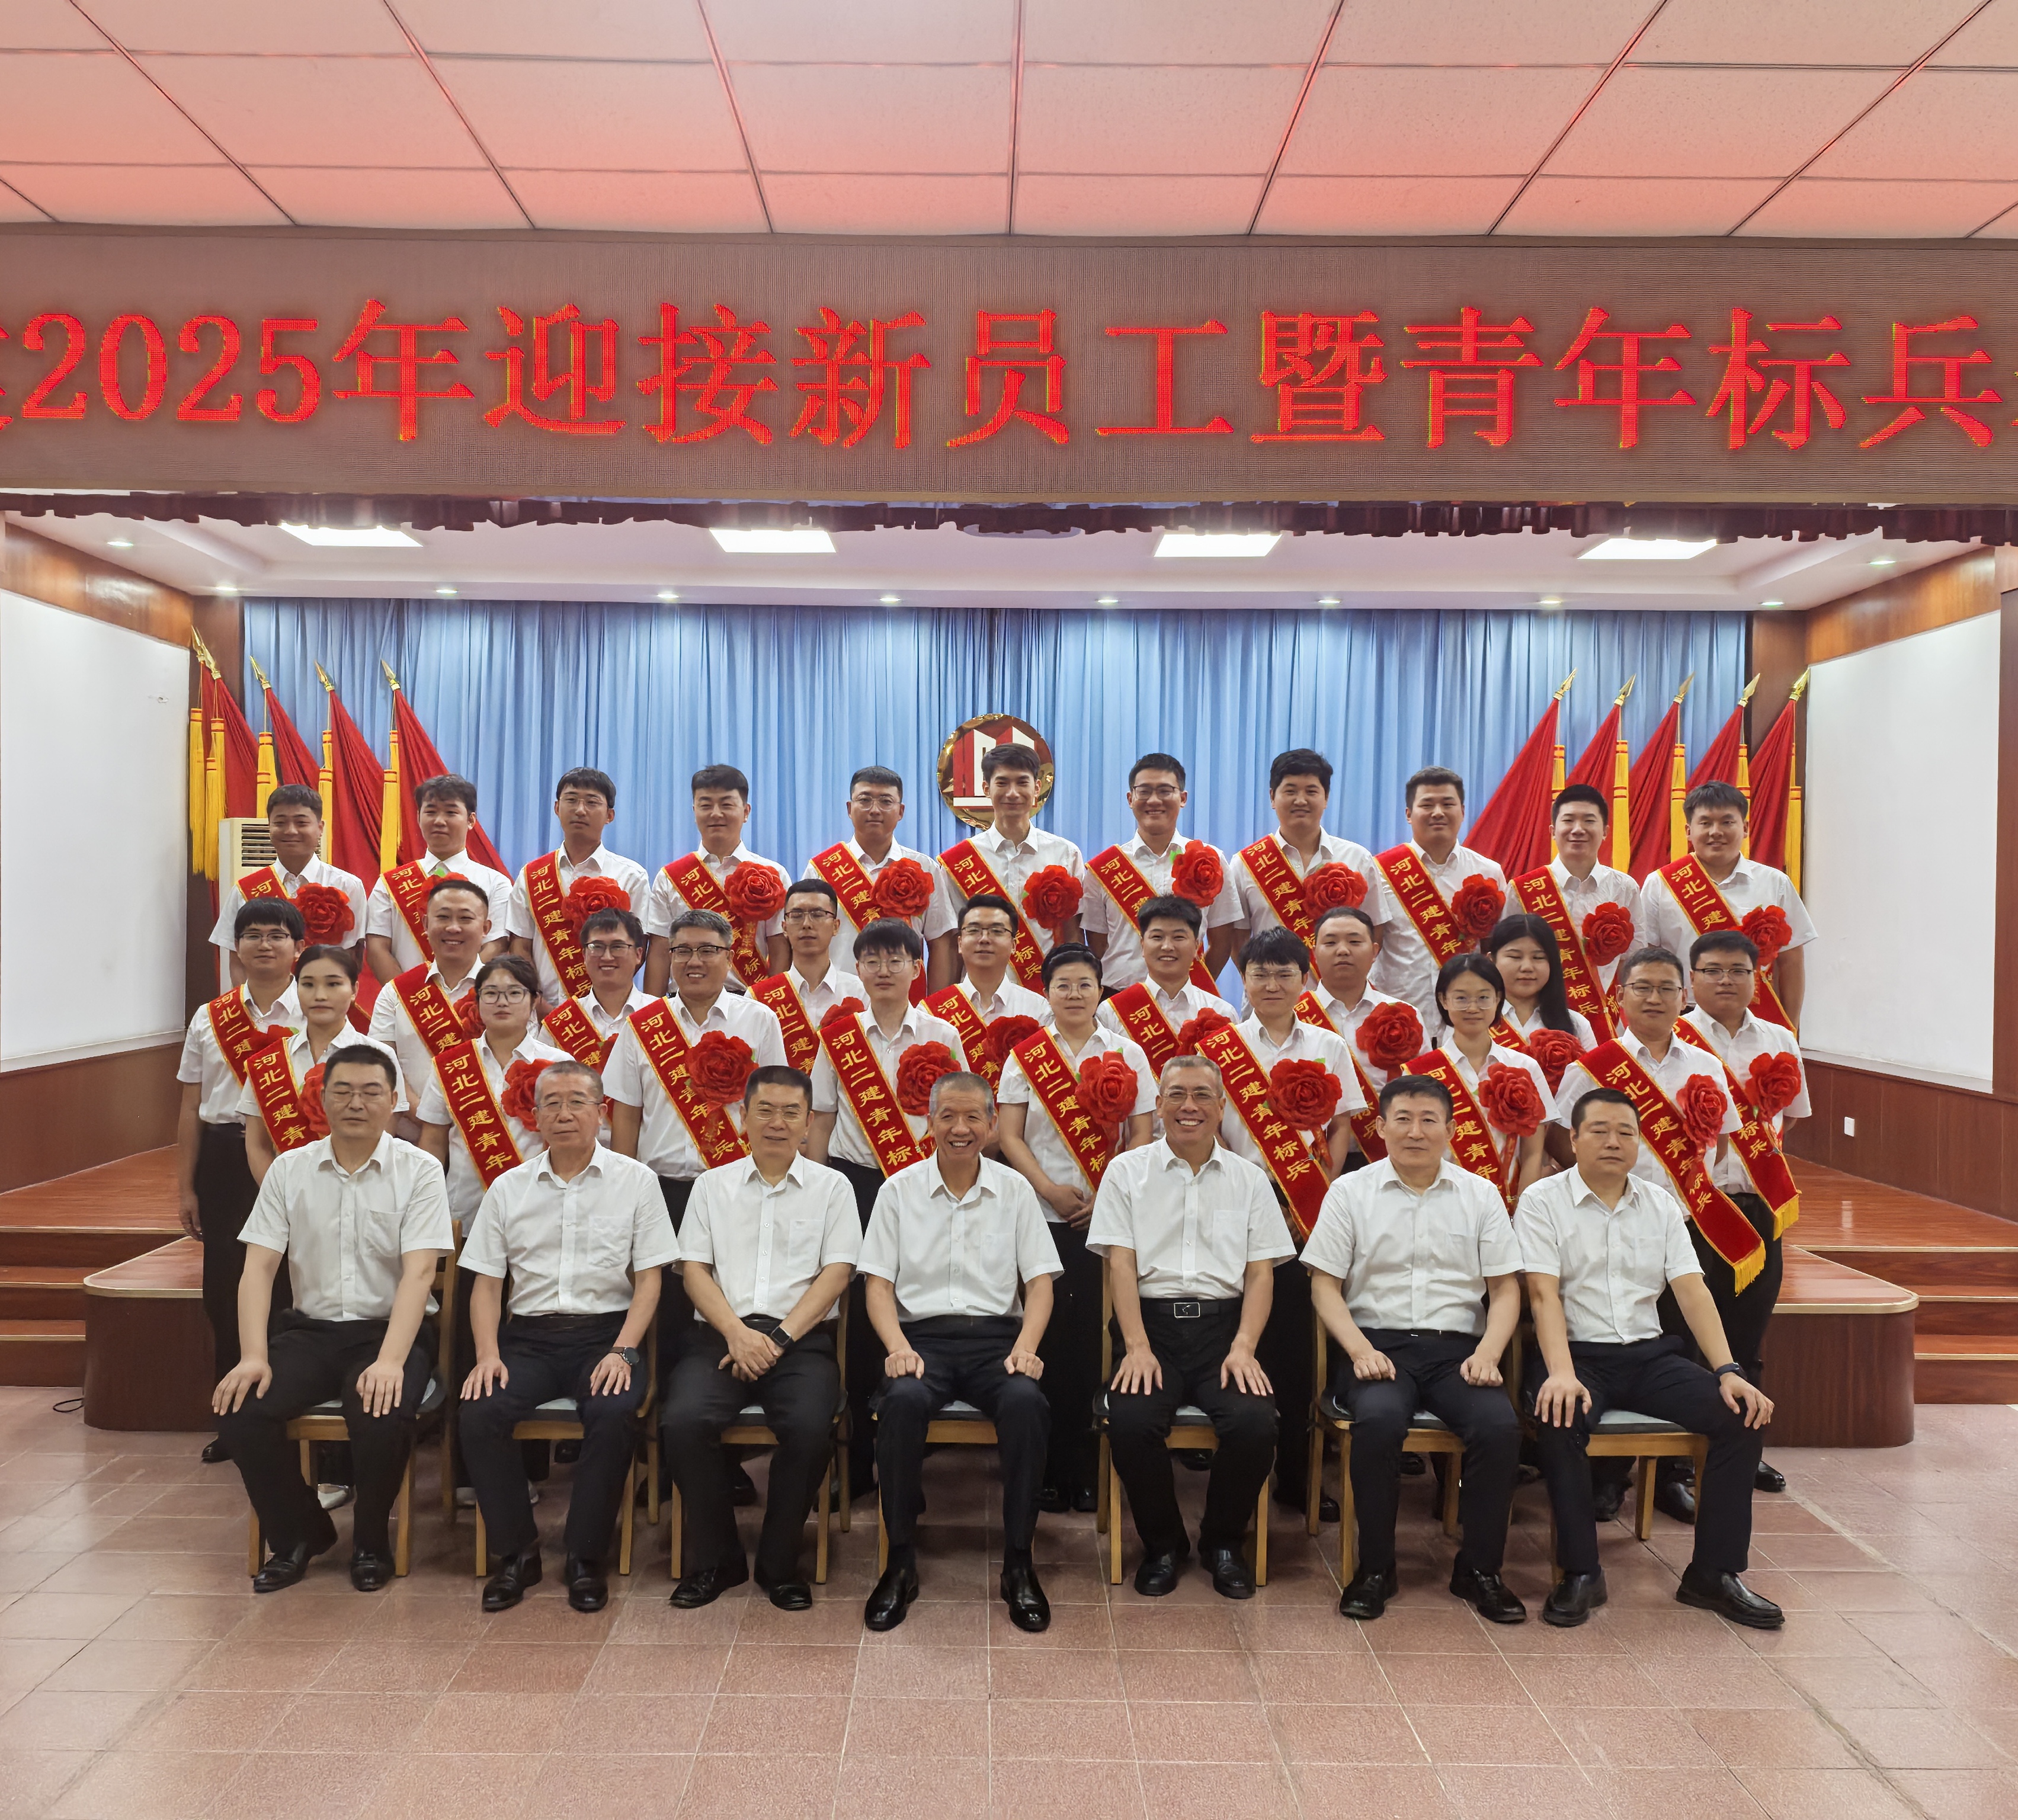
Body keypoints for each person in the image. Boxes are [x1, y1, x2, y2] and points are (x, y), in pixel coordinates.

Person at [1521, 1087, 1782, 1630]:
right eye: (1599, 1131)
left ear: (1641, 1143)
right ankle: (1581, 1572)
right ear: (1574, 1139)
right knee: (1559, 1417)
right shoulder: (1542, 1201)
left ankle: (1713, 1573)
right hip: (1576, 1356)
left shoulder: (1661, 1204)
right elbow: (1542, 1295)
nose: (1613, 1142)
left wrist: (1728, 1371)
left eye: (1626, 1133)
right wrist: (1562, 1374)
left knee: (1739, 1416)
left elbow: (1692, 1291)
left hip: (1648, 1357)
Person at [213, 1044, 451, 1593]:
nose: (355, 1103)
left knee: (381, 1412)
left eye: (370, 1092)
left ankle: (370, 1541)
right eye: (342, 1091)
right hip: (311, 1333)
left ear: (394, 1101)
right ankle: (300, 1535)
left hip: (387, 1333)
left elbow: (420, 1274)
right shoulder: (289, 1169)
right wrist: (252, 1356)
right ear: (321, 1099)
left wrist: (390, 1361)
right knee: (242, 1411)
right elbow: (258, 1269)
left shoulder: (419, 1171)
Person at [1303, 1074, 1526, 1623]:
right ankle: (1376, 1568)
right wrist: (1359, 1351)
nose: (1415, 1132)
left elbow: (1505, 1289)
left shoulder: (1480, 1194)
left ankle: (1480, 1569)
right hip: (1377, 1346)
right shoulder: (1350, 1192)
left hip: (1459, 1352)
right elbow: (1324, 1286)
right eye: (1402, 1119)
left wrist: (1489, 1354)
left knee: (1499, 1427)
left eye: (1429, 1120)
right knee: (1379, 1422)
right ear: (1380, 1127)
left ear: (1452, 1129)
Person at [457, 1061, 674, 1614]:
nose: (564, 1113)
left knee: (614, 1410)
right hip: (527, 1339)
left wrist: (624, 1350)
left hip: (607, 1334)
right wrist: (487, 1354)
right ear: (534, 1116)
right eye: (551, 1103)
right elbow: (487, 1284)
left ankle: (585, 1555)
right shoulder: (508, 1188)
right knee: (480, 1411)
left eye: (577, 1101)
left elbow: (650, 1280)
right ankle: (517, 1553)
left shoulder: (637, 1181)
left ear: (602, 1113)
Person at [1548, 945, 1749, 1522]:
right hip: (1602, 1225)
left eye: (1666, 988)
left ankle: (1670, 1477)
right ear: (1620, 996)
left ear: (1684, 997)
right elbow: (1562, 1138)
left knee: (1676, 1350)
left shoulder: (1706, 1065)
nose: (1654, 998)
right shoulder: (1594, 1067)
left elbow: (1722, 1142)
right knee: (1616, 1349)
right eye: (1642, 987)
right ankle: (1608, 1480)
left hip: (1678, 1227)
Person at [857, 1072, 1062, 1633]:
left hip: (998, 1341)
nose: (960, 1127)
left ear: (993, 1124)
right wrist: (897, 1347)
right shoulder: (898, 1191)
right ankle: (900, 1563)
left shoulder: (1015, 1191)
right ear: (929, 1123)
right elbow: (878, 1284)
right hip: (922, 1342)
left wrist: (1026, 1347)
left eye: (973, 1117)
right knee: (901, 1403)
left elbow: (1040, 1282)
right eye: (948, 1115)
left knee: (1026, 1404)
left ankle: (1018, 1564)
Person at [1091, 1055, 1291, 1599]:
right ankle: (1163, 1545)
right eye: (1177, 1094)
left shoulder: (1250, 1180)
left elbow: (1260, 1273)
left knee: (1255, 1424)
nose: (1189, 1106)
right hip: (1149, 1329)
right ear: (1158, 1105)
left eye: (1203, 1095)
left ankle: (1223, 1543)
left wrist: (1245, 1346)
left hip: (1225, 1334)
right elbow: (1121, 1265)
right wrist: (1136, 1346)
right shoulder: (1126, 1172)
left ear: (1222, 1108)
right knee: (1131, 1421)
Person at [664, 1066, 859, 1610]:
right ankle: (718, 1560)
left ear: (808, 1122)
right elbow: (694, 1270)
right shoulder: (712, 1186)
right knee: (682, 1422)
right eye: (765, 1111)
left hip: (801, 1342)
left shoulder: (833, 1188)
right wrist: (736, 1333)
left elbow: (838, 1273)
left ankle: (779, 1564)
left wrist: (777, 1339)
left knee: (810, 1428)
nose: (777, 1122)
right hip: (719, 1338)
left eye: (791, 1112)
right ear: (743, 1116)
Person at [1201, 927, 1363, 1519]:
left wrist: (1315, 1193)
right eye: (1260, 974)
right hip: (1233, 1201)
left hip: (1304, 1203)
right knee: (1233, 1334)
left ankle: (1296, 1477)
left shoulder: (1328, 1045)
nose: (1271, 984)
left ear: (1304, 980)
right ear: (1242, 980)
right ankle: (1237, 1473)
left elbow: (1343, 1125)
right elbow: (1207, 1128)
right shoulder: (1220, 1047)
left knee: (1295, 1346)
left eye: (1284, 974)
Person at [808, 918, 971, 1490]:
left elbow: (957, 1120)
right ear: (857, 969)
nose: (883, 970)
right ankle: (855, 1461)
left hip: (922, 1185)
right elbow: (821, 1120)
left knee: (915, 1305)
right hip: (854, 1186)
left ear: (916, 968)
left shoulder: (943, 1034)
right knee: (856, 1320)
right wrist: (820, 1194)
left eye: (895, 960)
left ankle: (907, 1453)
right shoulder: (839, 1037)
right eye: (872, 961)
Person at [997, 944, 1155, 1513]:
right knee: (1044, 1338)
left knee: (1093, 1339)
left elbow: (1142, 1133)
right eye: (1062, 984)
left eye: (1085, 984)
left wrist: (1105, 1192)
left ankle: (1086, 1467)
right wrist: (1048, 1189)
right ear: (1046, 992)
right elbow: (1009, 1135)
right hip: (1041, 1216)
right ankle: (1044, 1467)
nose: (1074, 994)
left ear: (1100, 991)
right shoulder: (1027, 1055)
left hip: (1104, 1219)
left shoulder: (1127, 1053)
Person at [606, 908, 788, 1366]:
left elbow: (776, 1110)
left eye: (707, 950)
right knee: (665, 1308)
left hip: (737, 1190)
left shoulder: (760, 1020)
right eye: (682, 950)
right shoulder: (643, 1025)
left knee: (731, 1300)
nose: (694, 961)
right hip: (660, 1191)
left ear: (729, 956)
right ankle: (667, 1399)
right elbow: (626, 1116)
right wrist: (623, 1192)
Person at [1680, 929, 1808, 1498]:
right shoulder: (1675, 1038)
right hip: (1695, 1209)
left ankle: (1742, 1452)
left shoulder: (1779, 1038)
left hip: (1758, 1208)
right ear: (1692, 979)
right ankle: (1676, 1466)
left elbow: (1791, 1117)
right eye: (1712, 970)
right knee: (1687, 1339)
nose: (1725, 980)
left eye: (1738, 970)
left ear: (1758, 978)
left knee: (1747, 1336)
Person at [178, 898, 304, 1463]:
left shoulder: (318, 1007)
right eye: (252, 935)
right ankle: (235, 1423)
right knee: (226, 1285)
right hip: (226, 1158)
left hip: (295, 1151)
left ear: (298, 947)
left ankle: (290, 1409)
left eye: (277, 935)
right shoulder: (210, 1017)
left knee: (292, 1282)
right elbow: (190, 1107)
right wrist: (186, 1186)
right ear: (237, 946)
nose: (264, 944)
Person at [1638, 781, 1816, 1028]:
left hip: (1756, 1016)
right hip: (1682, 1018)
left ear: (1745, 828)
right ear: (1688, 831)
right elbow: (1648, 960)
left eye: (1727, 822)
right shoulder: (1660, 884)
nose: (1716, 832)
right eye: (1705, 823)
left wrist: (1790, 1027)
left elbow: (1791, 961)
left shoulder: (1775, 883)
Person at [415, 954, 571, 1235]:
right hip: (464, 1215)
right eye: (491, 993)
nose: (502, 1002)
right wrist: (427, 1208)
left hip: (541, 1213)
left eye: (514, 993)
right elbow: (433, 1141)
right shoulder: (451, 1065)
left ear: (534, 1000)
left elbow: (572, 1142)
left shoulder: (559, 1065)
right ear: (477, 1001)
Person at [243, 945, 406, 1181]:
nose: (320, 995)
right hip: (286, 1190)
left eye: (333, 984)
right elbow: (257, 1146)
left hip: (363, 1186)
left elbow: (384, 1136)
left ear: (354, 989)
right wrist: (279, 1196)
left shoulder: (380, 1056)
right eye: (308, 984)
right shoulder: (267, 1062)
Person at [1407, 954, 1553, 1209]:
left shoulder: (1524, 1067)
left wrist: (1523, 1211)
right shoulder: (1419, 1073)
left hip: (1507, 1204)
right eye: (1461, 998)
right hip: (1439, 1204)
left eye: (1483, 998)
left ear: (1498, 999)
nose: (1473, 1008)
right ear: (1443, 1000)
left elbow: (1533, 1153)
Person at [1085, 752, 1242, 988]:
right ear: (1130, 799)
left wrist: (1195, 991)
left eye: (1165, 791)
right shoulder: (1102, 869)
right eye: (1144, 791)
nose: (1154, 800)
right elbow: (1098, 947)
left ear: (1183, 798)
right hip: (1118, 1001)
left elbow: (1222, 942)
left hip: (1188, 1001)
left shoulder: (1212, 860)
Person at [1370, 767, 1507, 1022]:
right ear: (1409, 814)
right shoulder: (1379, 871)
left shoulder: (1489, 872)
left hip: (1467, 1018)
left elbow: (1493, 951)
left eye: (1447, 804)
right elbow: (1371, 948)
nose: (1438, 812)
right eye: (1427, 805)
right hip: (1398, 1015)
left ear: (1462, 812)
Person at [805, 765, 957, 994]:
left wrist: (933, 1006)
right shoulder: (821, 869)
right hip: (839, 1001)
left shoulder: (925, 869)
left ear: (901, 811)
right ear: (850, 808)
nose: (875, 810)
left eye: (886, 802)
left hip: (908, 1003)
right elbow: (804, 942)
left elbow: (941, 942)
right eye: (865, 800)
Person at [507, 767, 650, 1009]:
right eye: (571, 800)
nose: (580, 810)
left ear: (610, 815)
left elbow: (638, 949)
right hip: (539, 1012)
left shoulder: (632, 876)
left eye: (592, 802)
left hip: (608, 1012)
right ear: (557, 808)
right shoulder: (532, 875)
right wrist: (539, 1005)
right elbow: (520, 946)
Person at [643, 764, 793, 996]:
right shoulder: (670, 878)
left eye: (726, 805)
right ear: (694, 811)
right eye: (706, 805)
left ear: (746, 812)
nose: (715, 814)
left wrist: (771, 1005)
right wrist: (654, 1009)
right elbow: (660, 951)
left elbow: (780, 948)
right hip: (683, 1002)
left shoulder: (773, 874)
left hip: (749, 1003)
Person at [940, 744, 1087, 977]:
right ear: (986, 789)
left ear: (1037, 788)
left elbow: (1073, 934)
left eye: (1022, 782)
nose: (1012, 793)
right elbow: (952, 942)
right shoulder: (959, 862)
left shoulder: (1065, 854)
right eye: (1002, 783)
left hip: (1044, 990)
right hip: (978, 992)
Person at [1508, 783, 1639, 1040]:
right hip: (1537, 1023)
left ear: (1605, 831)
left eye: (1589, 821)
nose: (1578, 829)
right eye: (1568, 821)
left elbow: (1631, 960)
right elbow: (1508, 959)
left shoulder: (1625, 888)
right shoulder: (1523, 889)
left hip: (1605, 1022)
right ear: (1553, 831)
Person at [1231, 748, 1394, 949]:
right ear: (1272, 797)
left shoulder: (1358, 858)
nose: (1301, 801)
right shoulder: (1245, 864)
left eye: (1311, 791)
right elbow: (1238, 941)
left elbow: (1375, 930)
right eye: (1290, 791)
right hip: (1272, 971)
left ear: (1326, 798)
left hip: (1341, 971)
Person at [1296, 903, 1421, 1163]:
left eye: (1355, 941)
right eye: (1330, 942)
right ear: (1314, 952)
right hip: (1312, 1159)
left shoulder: (1405, 1015)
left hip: (1386, 1156)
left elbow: (1422, 1090)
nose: (1343, 950)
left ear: (1374, 951)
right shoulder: (1293, 1016)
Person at [210, 784, 366, 985]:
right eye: (280, 823)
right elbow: (238, 962)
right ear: (269, 827)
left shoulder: (348, 886)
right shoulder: (245, 890)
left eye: (301, 823)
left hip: (322, 998)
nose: (291, 831)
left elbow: (351, 957)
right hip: (266, 1001)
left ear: (320, 828)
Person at [369, 877, 492, 1130]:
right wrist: (428, 1119)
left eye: (465, 919)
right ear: (426, 924)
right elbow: (381, 1065)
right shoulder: (395, 994)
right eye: (443, 917)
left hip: (487, 1134)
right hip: (410, 1137)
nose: (453, 928)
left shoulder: (507, 992)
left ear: (486, 928)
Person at [363, 773, 511, 983]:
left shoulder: (496, 884)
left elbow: (496, 945)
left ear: (471, 820)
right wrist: (408, 997)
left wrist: (461, 991)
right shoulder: (389, 884)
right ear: (418, 817)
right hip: (407, 999)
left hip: (472, 998)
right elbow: (377, 948)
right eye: (431, 812)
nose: (439, 821)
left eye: (451, 812)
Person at [1097, 894, 1236, 1076]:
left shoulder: (1222, 1012)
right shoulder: (1111, 1012)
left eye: (1178, 937)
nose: (1167, 946)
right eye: (1157, 937)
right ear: (1142, 945)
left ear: (1196, 946)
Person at [924, 893, 1051, 1090]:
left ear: (1014, 945)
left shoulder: (1039, 1009)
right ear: (960, 943)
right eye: (974, 930)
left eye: (997, 931)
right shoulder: (931, 1011)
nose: (984, 939)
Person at [748, 879, 866, 1076]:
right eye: (796, 916)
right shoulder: (758, 998)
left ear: (836, 926)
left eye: (818, 915)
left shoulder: (861, 992)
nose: (807, 924)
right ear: (784, 927)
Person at [540, 906, 654, 1076]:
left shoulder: (660, 1015)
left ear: (639, 954)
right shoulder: (559, 1024)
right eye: (597, 947)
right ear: (584, 955)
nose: (607, 957)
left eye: (618, 947)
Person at [1481, 914, 1594, 1051]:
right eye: (1515, 957)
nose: (1527, 967)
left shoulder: (1577, 1025)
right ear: (1491, 961)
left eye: (1538, 957)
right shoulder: (1471, 1018)